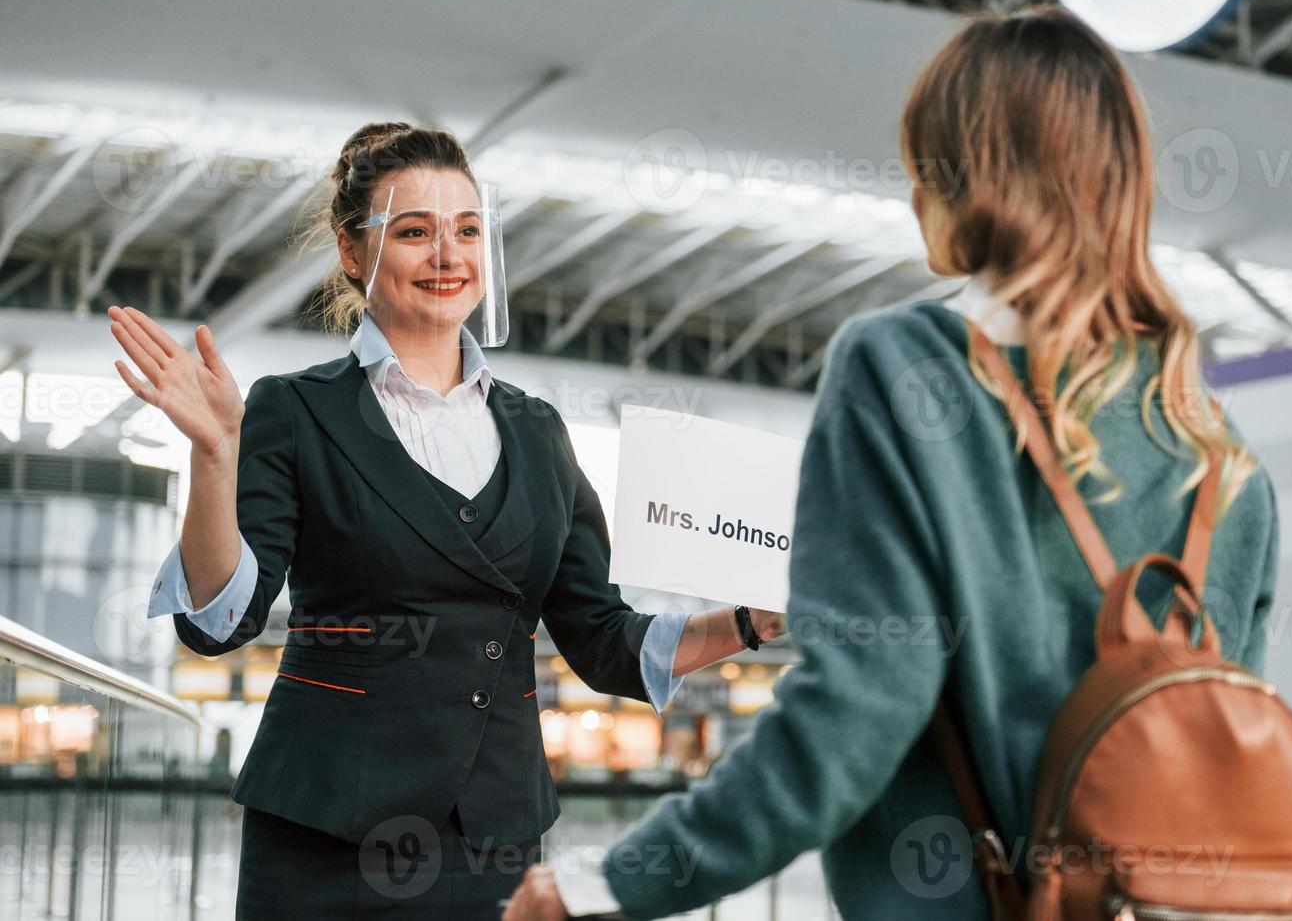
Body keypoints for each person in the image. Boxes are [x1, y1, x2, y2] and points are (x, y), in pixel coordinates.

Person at [506, 5, 1282, 920]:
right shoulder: (1221, 456)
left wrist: (602, 882)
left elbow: (853, 713)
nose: (915, 195)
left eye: (922, 166)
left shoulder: (907, 369)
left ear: (965, 182)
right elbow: (1214, 746)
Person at [107, 122, 784, 916]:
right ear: (354, 251)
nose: (448, 255)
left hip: (491, 838)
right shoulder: (293, 410)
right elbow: (219, 623)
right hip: (324, 833)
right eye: (415, 232)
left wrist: (746, 621)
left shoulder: (540, 433)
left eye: (467, 231)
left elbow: (603, 640)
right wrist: (217, 456)